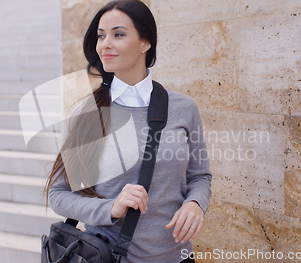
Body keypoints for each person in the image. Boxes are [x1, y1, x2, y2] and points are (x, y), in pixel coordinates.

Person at [44, 0, 212, 262]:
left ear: (146, 43)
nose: (105, 44)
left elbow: (200, 176)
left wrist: (195, 204)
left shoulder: (183, 108)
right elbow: (58, 195)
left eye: (118, 34)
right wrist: (109, 207)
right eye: (101, 36)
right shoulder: (88, 113)